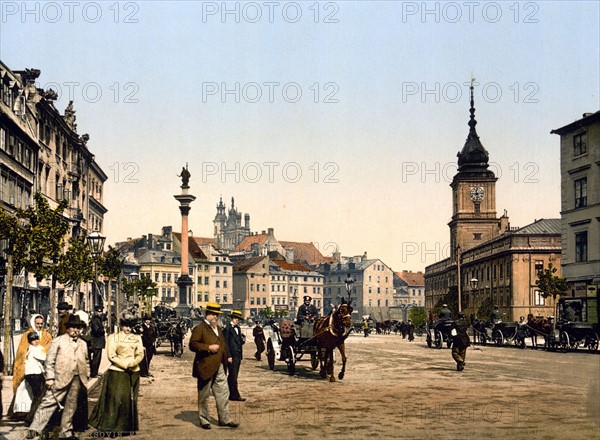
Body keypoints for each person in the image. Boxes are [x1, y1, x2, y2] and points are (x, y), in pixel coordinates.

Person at [27, 314, 90, 440]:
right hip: (60, 378)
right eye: (72, 327)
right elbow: (49, 361)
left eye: (78, 328)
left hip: (77, 379)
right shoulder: (58, 341)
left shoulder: (83, 343)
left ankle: (66, 432)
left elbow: (87, 361)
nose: (75, 330)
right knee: (48, 403)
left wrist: (86, 374)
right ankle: (34, 430)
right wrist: (50, 378)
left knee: (71, 406)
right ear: (67, 329)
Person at [89, 315, 145, 436]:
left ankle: (127, 427)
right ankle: (112, 426)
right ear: (121, 326)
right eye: (125, 326)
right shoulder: (113, 338)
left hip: (134, 371)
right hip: (117, 372)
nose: (128, 329)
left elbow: (140, 353)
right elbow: (111, 355)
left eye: (130, 326)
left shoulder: (137, 338)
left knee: (131, 400)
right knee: (117, 399)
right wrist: (125, 365)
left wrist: (133, 363)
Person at [189, 302, 238, 430]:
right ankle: (204, 419)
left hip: (220, 365)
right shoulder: (199, 328)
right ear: (207, 314)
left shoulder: (219, 329)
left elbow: (223, 344)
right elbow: (193, 345)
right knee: (204, 395)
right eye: (213, 314)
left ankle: (225, 419)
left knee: (223, 393)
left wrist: (227, 356)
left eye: (217, 314)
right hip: (205, 366)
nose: (215, 317)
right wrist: (208, 348)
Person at [10, 314, 53, 420]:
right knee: (23, 390)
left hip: (39, 368)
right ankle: (22, 412)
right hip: (29, 369)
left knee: (36, 392)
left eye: (41, 323)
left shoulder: (47, 335)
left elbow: (50, 346)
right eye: (37, 323)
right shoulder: (27, 335)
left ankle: (33, 413)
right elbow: (22, 350)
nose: (39, 326)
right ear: (33, 323)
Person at [24, 332, 46, 425]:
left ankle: (33, 417)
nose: (36, 341)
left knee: (39, 396)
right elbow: (45, 357)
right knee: (38, 396)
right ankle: (30, 418)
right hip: (34, 374)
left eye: (37, 339)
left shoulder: (36, 348)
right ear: (30, 341)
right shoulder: (33, 350)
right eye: (33, 340)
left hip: (36, 374)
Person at [223, 310, 246, 402]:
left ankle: (230, 393)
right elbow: (225, 343)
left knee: (233, 376)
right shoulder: (227, 328)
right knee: (233, 376)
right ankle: (234, 395)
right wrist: (228, 356)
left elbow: (238, 341)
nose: (237, 320)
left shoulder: (238, 328)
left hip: (238, 355)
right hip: (231, 356)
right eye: (236, 318)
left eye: (238, 319)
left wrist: (242, 340)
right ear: (232, 318)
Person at [89, 306, 106, 378]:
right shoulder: (95, 319)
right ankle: (93, 373)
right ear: (96, 312)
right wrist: (103, 330)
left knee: (98, 358)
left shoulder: (98, 319)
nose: (100, 313)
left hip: (98, 342)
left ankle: (95, 371)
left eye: (101, 312)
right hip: (96, 341)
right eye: (99, 312)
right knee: (96, 358)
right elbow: (97, 330)